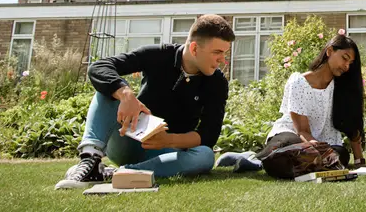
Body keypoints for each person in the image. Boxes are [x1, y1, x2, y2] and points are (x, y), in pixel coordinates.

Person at [55, 14, 234, 189]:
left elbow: (208, 136)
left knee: (205, 156)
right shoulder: (158, 54)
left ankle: (117, 173)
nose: (223, 60)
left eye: (224, 53)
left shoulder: (217, 82)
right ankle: (89, 160)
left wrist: (167, 140)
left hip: (166, 153)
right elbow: (99, 67)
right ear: (194, 49)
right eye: (217, 52)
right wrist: (125, 94)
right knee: (109, 90)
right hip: (129, 140)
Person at [217, 34, 366, 173]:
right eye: (344, 58)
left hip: (323, 146)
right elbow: (302, 130)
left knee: (340, 155)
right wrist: (313, 145)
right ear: (329, 51)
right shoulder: (299, 82)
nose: (347, 66)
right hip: (293, 136)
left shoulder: (343, 88)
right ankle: (256, 159)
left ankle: (265, 162)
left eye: (350, 63)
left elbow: (352, 125)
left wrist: (359, 160)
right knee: (289, 146)